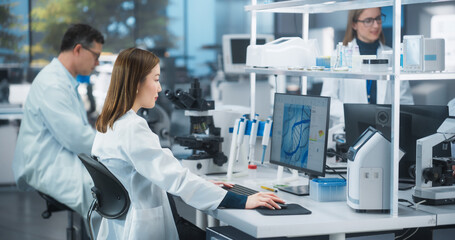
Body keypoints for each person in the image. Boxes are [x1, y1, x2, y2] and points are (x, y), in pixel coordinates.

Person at [92, 47, 284, 239]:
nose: (159, 88)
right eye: (156, 79)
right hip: (143, 229)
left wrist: (201, 183)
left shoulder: (108, 124)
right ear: (135, 84)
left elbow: (158, 170)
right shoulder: (133, 128)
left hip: (120, 227)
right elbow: (176, 179)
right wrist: (241, 201)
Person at [13, 24, 104, 218]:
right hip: (46, 164)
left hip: (59, 157)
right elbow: (76, 138)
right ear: (78, 49)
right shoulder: (52, 84)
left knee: (109, 186)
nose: (96, 64)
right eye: (96, 56)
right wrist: (112, 146)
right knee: (103, 197)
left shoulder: (64, 80)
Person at [321, 7, 414, 127]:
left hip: (385, 128)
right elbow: (329, 100)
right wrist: (356, 115)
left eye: (378, 19)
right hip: (349, 126)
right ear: (354, 24)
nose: (375, 25)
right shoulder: (338, 56)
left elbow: (405, 102)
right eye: (368, 20)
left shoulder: (394, 56)